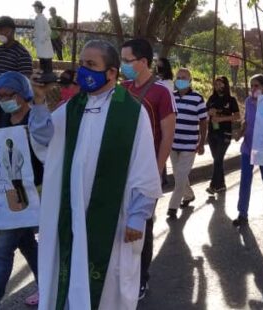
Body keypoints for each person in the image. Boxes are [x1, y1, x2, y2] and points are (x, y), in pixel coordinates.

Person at [28, 39, 162, 310]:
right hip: (72, 212)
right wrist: (39, 101)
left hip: (113, 219)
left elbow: (144, 165)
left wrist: (138, 214)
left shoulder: (131, 112)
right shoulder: (72, 107)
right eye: (81, 64)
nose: (83, 71)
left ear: (111, 73)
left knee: (106, 286)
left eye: (91, 65)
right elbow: (44, 138)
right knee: (70, 274)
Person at [120, 38, 177, 300]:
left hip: (149, 169)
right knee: (123, 222)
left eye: (127, 61)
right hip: (122, 169)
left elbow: (167, 136)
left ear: (143, 62)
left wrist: (156, 170)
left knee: (142, 223)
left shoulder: (161, 92)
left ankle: (142, 278)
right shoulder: (122, 88)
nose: (123, 66)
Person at [0, 71, 42, 309]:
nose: (4, 99)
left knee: (3, 250)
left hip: (32, 191)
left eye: (9, 95)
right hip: (12, 192)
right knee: (27, 243)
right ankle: (49, 285)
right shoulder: (6, 119)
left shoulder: (37, 119)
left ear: (23, 93)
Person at [233, 74, 263, 227]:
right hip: (248, 147)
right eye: (251, 86)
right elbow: (246, 121)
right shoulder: (248, 101)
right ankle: (242, 213)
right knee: (245, 180)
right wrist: (240, 132)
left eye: (256, 86)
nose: (253, 89)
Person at [167, 68, 208, 220]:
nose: (181, 79)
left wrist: (202, 142)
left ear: (190, 80)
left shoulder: (197, 98)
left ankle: (172, 207)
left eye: (184, 77)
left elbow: (203, 122)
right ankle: (189, 195)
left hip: (189, 145)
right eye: (178, 77)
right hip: (172, 143)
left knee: (180, 176)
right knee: (179, 175)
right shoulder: (171, 97)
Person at [0, 16, 33, 130]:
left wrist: (20, 106)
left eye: (2, 30)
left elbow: (25, 82)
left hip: (7, 105)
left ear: (11, 31)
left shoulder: (22, 54)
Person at [206, 76, 240, 195]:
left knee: (218, 159)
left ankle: (213, 185)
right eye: (216, 84)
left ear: (225, 85)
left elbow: (237, 116)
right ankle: (221, 185)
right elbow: (204, 113)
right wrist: (209, 113)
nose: (218, 87)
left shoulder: (231, 100)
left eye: (220, 84)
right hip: (212, 133)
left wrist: (222, 119)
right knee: (217, 160)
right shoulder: (211, 98)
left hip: (225, 133)